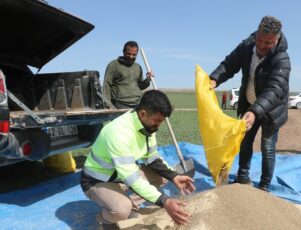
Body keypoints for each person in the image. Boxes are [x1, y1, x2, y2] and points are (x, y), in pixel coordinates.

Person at [80, 90, 195, 228]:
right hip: (97, 181)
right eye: (157, 120)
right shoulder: (119, 132)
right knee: (122, 209)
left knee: (163, 177)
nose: (159, 126)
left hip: (119, 176)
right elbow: (132, 179)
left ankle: (131, 206)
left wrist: (174, 176)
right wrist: (165, 201)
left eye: (162, 121)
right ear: (143, 114)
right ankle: (104, 220)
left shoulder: (147, 126)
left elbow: (152, 158)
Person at [209, 16, 290, 191]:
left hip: (272, 109)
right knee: (245, 141)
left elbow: (274, 90)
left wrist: (255, 112)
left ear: (277, 39)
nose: (262, 46)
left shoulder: (282, 59)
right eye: (260, 40)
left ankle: (264, 187)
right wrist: (214, 79)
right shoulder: (246, 46)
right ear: (257, 33)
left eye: (268, 43)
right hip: (249, 103)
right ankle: (242, 178)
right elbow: (229, 64)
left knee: (267, 146)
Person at [103, 41, 154, 109]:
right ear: (123, 51)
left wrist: (148, 79)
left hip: (137, 104)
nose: (131, 56)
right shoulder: (113, 65)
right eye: (128, 54)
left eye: (134, 54)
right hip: (120, 104)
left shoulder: (138, 67)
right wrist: (107, 105)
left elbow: (140, 87)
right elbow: (106, 85)